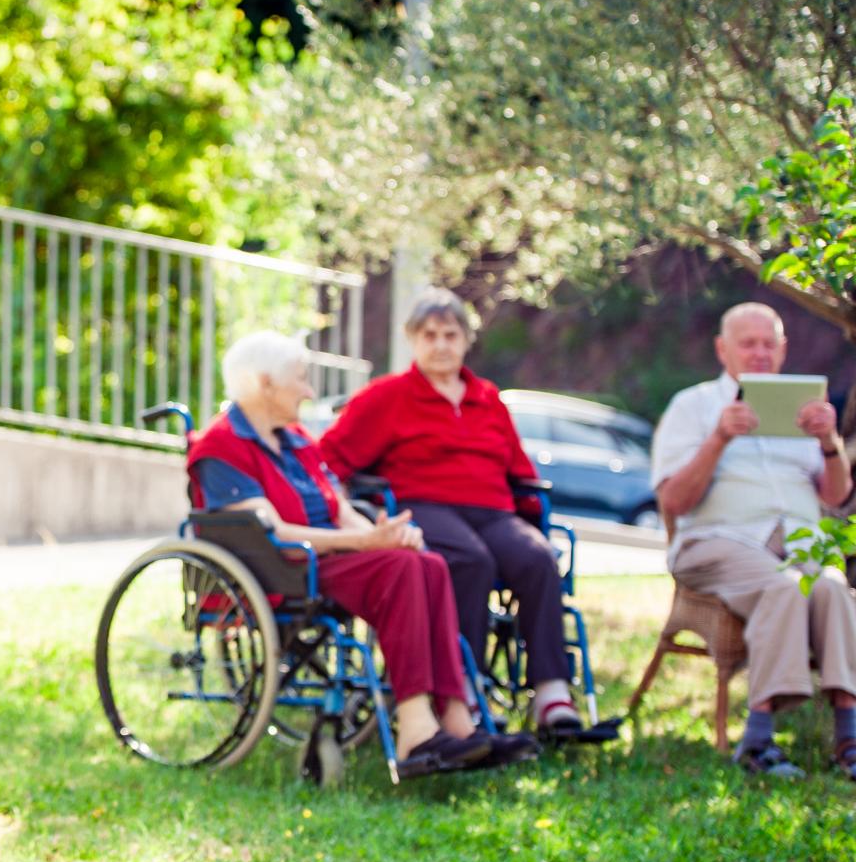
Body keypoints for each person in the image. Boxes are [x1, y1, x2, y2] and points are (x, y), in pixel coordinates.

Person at [187, 331, 539, 777]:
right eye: (301, 379)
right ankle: (415, 729)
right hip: (284, 568)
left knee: (428, 562)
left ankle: (457, 720)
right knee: (403, 569)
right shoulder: (221, 447)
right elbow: (269, 531)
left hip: (331, 558)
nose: (310, 391)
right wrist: (367, 544)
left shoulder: (295, 440)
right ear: (264, 383)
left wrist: (383, 533)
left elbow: (339, 508)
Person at [318, 288, 607, 742]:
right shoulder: (387, 397)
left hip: (492, 508)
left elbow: (520, 471)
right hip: (425, 504)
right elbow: (328, 458)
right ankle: (462, 694)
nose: (440, 345)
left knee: (536, 558)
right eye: (429, 334)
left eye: (450, 334)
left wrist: (532, 522)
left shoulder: (487, 398)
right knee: (471, 560)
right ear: (413, 340)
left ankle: (552, 693)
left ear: (466, 340)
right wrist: (341, 505)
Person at [652, 301, 856, 779]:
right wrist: (719, 438)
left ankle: (848, 734)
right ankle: (759, 739)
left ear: (783, 350)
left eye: (769, 344)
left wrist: (828, 443)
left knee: (830, 587)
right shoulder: (694, 406)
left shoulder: (801, 409)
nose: (760, 353)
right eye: (749, 343)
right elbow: (674, 501)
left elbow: (838, 495)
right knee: (784, 587)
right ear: (723, 349)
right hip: (716, 541)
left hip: (800, 544)